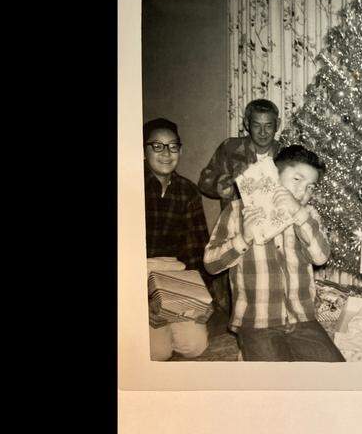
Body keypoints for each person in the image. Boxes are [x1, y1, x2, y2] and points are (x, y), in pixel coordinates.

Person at [203, 145, 345, 362]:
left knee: (336, 374)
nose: (302, 192)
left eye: (310, 187)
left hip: (302, 318)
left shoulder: (308, 215)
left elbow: (320, 257)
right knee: (277, 383)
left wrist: (300, 215)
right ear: (273, 175)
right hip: (258, 321)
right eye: (296, 180)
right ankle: (249, 351)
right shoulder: (236, 212)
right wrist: (244, 237)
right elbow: (211, 263)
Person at [197, 98, 283, 314]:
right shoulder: (230, 147)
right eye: (256, 125)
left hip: (273, 228)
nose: (263, 132)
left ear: (277, 125)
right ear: (247, 123)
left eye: (268, 125)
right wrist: (221, 186)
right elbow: (204, 181)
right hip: (237, 225)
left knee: (269, 283)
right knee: (239, 285)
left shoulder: (285, 154)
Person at [143, 118, 209, 360]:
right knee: (157, 353)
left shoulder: (188, 191)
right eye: (157, 146)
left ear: (180, 150)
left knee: (194, 347)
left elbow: (197, 250)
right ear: (144, 149)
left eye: (172, 146)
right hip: (135, 275)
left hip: (173, 278)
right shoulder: (128, 185)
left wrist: (199, 298)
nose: (166, 153)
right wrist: (139, 302)